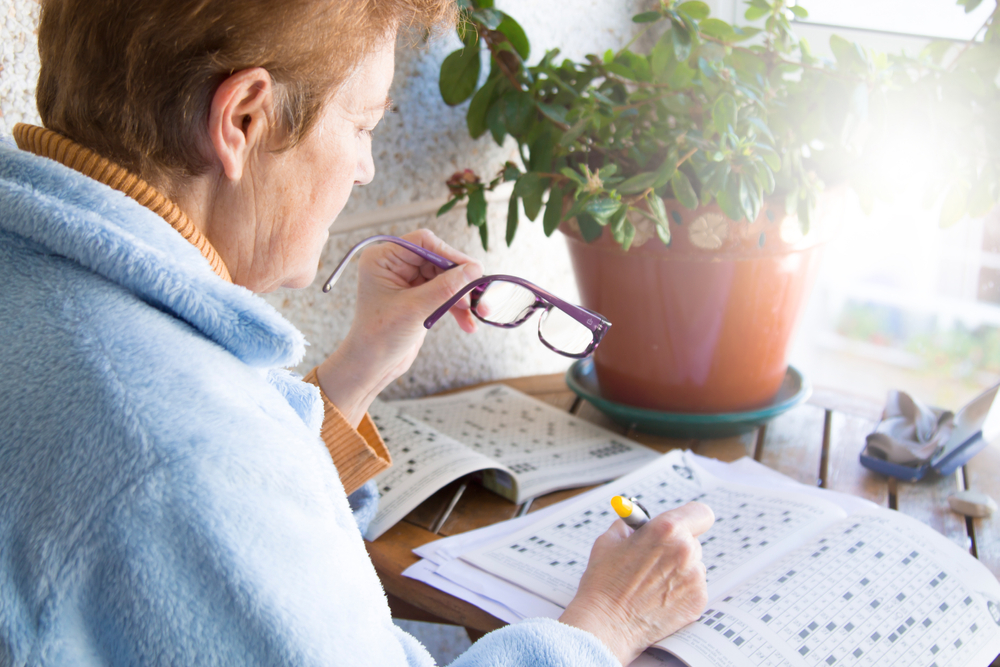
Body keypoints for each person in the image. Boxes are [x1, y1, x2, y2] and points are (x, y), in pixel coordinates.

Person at [0, 1, 715, 665]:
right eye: (363, 125)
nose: (366, 167)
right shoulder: (187, 453)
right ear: (244, 120)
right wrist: (606, 623)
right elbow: (200, 480)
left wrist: (361, 366)